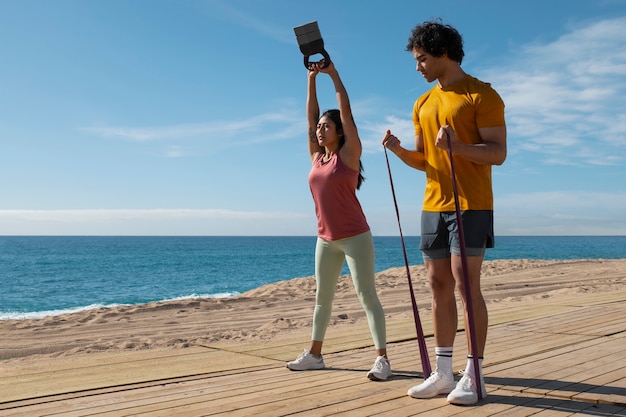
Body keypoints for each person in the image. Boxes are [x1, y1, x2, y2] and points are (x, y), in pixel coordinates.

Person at [382, 20, 507, 405]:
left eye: (421, 59)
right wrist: (401, 151)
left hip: (470, 204)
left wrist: (459, 148)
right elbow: (426, 159)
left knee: (466, 286)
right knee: (437, 286)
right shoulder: (422, 103)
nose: (417, 67)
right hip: (433, 205)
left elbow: (497, 152)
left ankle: (474, 372)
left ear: (443, 54)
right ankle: (442, 371)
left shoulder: (481, 95)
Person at [286, 59, 392, 381]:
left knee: (366, 296)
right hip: (325, 239)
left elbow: (346, 110)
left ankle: (382, 360)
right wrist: (310, 79)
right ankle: (315, 355)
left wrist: (332, 74)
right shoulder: (317, 157)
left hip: (355, 236)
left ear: (340, 131)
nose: (319, 129)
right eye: (318, 127)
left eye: (326, 126)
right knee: (322, 298)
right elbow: (308, 119)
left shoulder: (349, 155)